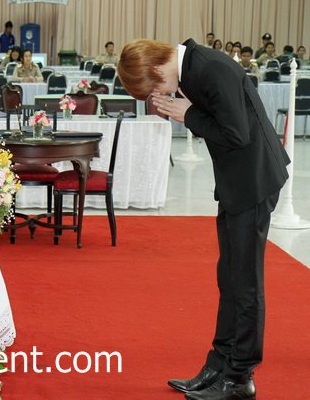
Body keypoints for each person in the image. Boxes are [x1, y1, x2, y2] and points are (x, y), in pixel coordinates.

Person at [117, 38, 289, 400]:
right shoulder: (191, 70)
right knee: (229, 277)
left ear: (157, 68)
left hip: (253, 182)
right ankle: (219, 365)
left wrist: (189, 114)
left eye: (154, 88)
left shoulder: (209, 69)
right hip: (236, 183)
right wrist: (189, 112)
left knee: (245, 284)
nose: (159, 95)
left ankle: (240, 377)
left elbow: (236, 134)